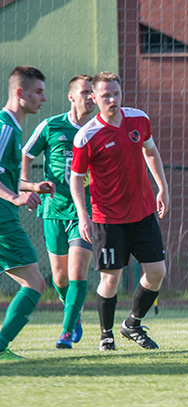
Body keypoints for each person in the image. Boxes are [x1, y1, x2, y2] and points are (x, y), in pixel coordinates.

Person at [70, 71, 169, 351]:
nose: (112, 99)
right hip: (108, 218)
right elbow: (76, 178)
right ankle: (106, 334)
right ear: (94, 98)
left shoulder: (139, 119)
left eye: (116, 93)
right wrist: (82, 215)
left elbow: (150, 151)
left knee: (156, 272)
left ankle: (133, 324)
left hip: (143, 211)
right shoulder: (86, 136)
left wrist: (162, 187)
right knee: (110, 278)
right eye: (105, 95)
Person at [21, 74, 95, 349]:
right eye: (85, 92)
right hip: (53, 210)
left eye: (93, 92)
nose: (91, 97)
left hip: (84, 213)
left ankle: (65, 331)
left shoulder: (99, 129)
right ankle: (74, 316)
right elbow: (27, 155)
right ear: (71, 96)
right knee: (60, 277)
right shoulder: (51, 126)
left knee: (77, 272)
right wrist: (28, 188)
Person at [0, 66, 54, 361]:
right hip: (2, 219)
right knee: (35, 283)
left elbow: (5, 175)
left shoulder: (13, 127)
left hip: (5, 212)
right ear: (20, 93)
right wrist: (14, 197)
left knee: (32, 282)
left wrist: (31, 186)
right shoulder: (5, 127)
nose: (43, 98)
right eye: (38, 92)